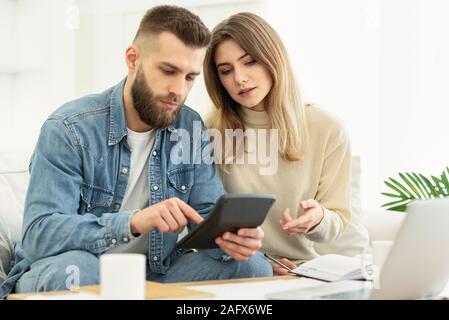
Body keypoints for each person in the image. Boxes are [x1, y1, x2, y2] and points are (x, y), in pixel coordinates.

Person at [0, 6, 272, 299]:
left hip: (156, 271)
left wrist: (232, 238)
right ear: (133, 59)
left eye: (190, 77)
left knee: (253, 267)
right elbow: (41, 234)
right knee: (78, 269)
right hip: (70, 267)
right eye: (168, 71)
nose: (178, 90)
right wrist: (134, 221)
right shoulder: (69, 128)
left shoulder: (190, 125)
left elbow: (206, 215)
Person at [204, 12, 352, 275]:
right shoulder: (209, 130)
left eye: (249, 62)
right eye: (226, 71)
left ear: (273, 59)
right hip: (237, 268)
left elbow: (337, 219)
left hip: (303, 270)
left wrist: (317, 218)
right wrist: (259, 264)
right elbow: (202, 223)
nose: (239, 78)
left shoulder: (326, 128)